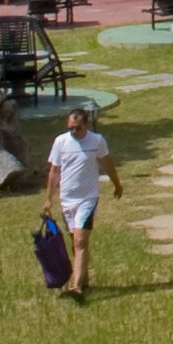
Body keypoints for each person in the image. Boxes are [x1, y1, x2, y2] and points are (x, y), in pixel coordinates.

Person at [43, 103, 122, 301]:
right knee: (75, 241)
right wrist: (48, 199)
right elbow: (54, 171)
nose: (74, 132)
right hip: (67, 199)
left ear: (85, 125)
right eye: (71, 128)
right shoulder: (61, 142)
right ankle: (84, 280)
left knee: (80, 240)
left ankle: (76, 288)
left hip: (87, 198)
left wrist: (117, 184)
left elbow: (107, 163)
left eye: (77, 128)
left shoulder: (96, 141)